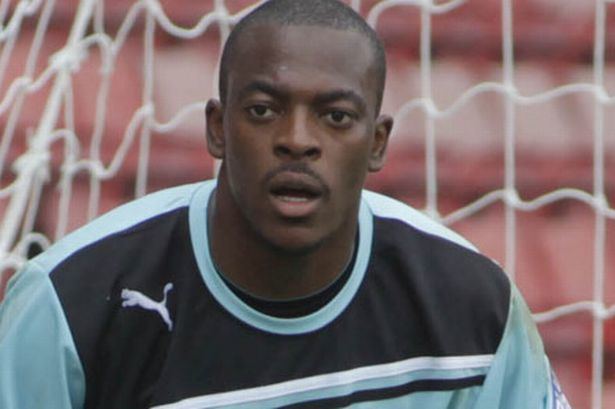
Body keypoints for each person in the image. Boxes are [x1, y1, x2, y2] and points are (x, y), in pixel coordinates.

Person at [0, 0, 571, 408]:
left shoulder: (470, 308)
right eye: (264, 110)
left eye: (336, 116)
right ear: (218, 129)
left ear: (377, 143)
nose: (298, 139)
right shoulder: (71, 303)